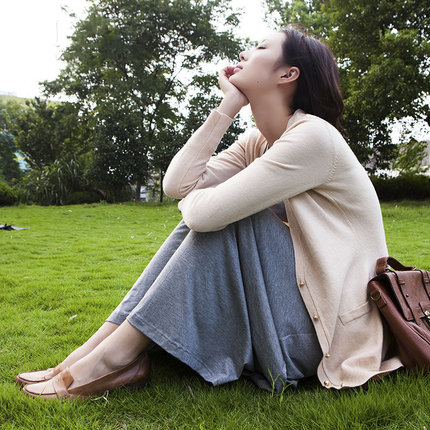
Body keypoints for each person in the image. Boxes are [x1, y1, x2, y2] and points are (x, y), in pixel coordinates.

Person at [16, 25, 402, 400]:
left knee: (234, 217)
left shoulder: (313, 137)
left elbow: (201, 213)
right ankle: (93, 353)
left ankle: (113, 358)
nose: (244, 52)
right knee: (217, 216)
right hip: (295, 316)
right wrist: (228, 106)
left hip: (329, 336)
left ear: (288, 73)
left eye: (260, 47)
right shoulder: (259, 142)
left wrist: (205, 204)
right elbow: (176, 185)